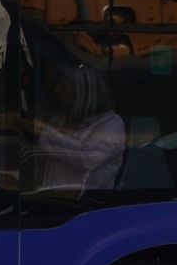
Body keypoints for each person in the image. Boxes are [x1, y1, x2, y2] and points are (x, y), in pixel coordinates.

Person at [31, 62, 125, 195]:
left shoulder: (111, 124)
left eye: (64, 85)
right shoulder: (59, 119)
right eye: (57, 84)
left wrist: (45, 132)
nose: (57, 90)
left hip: (88, 209)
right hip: (52, 201)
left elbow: (85, 160)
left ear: (83, 90)